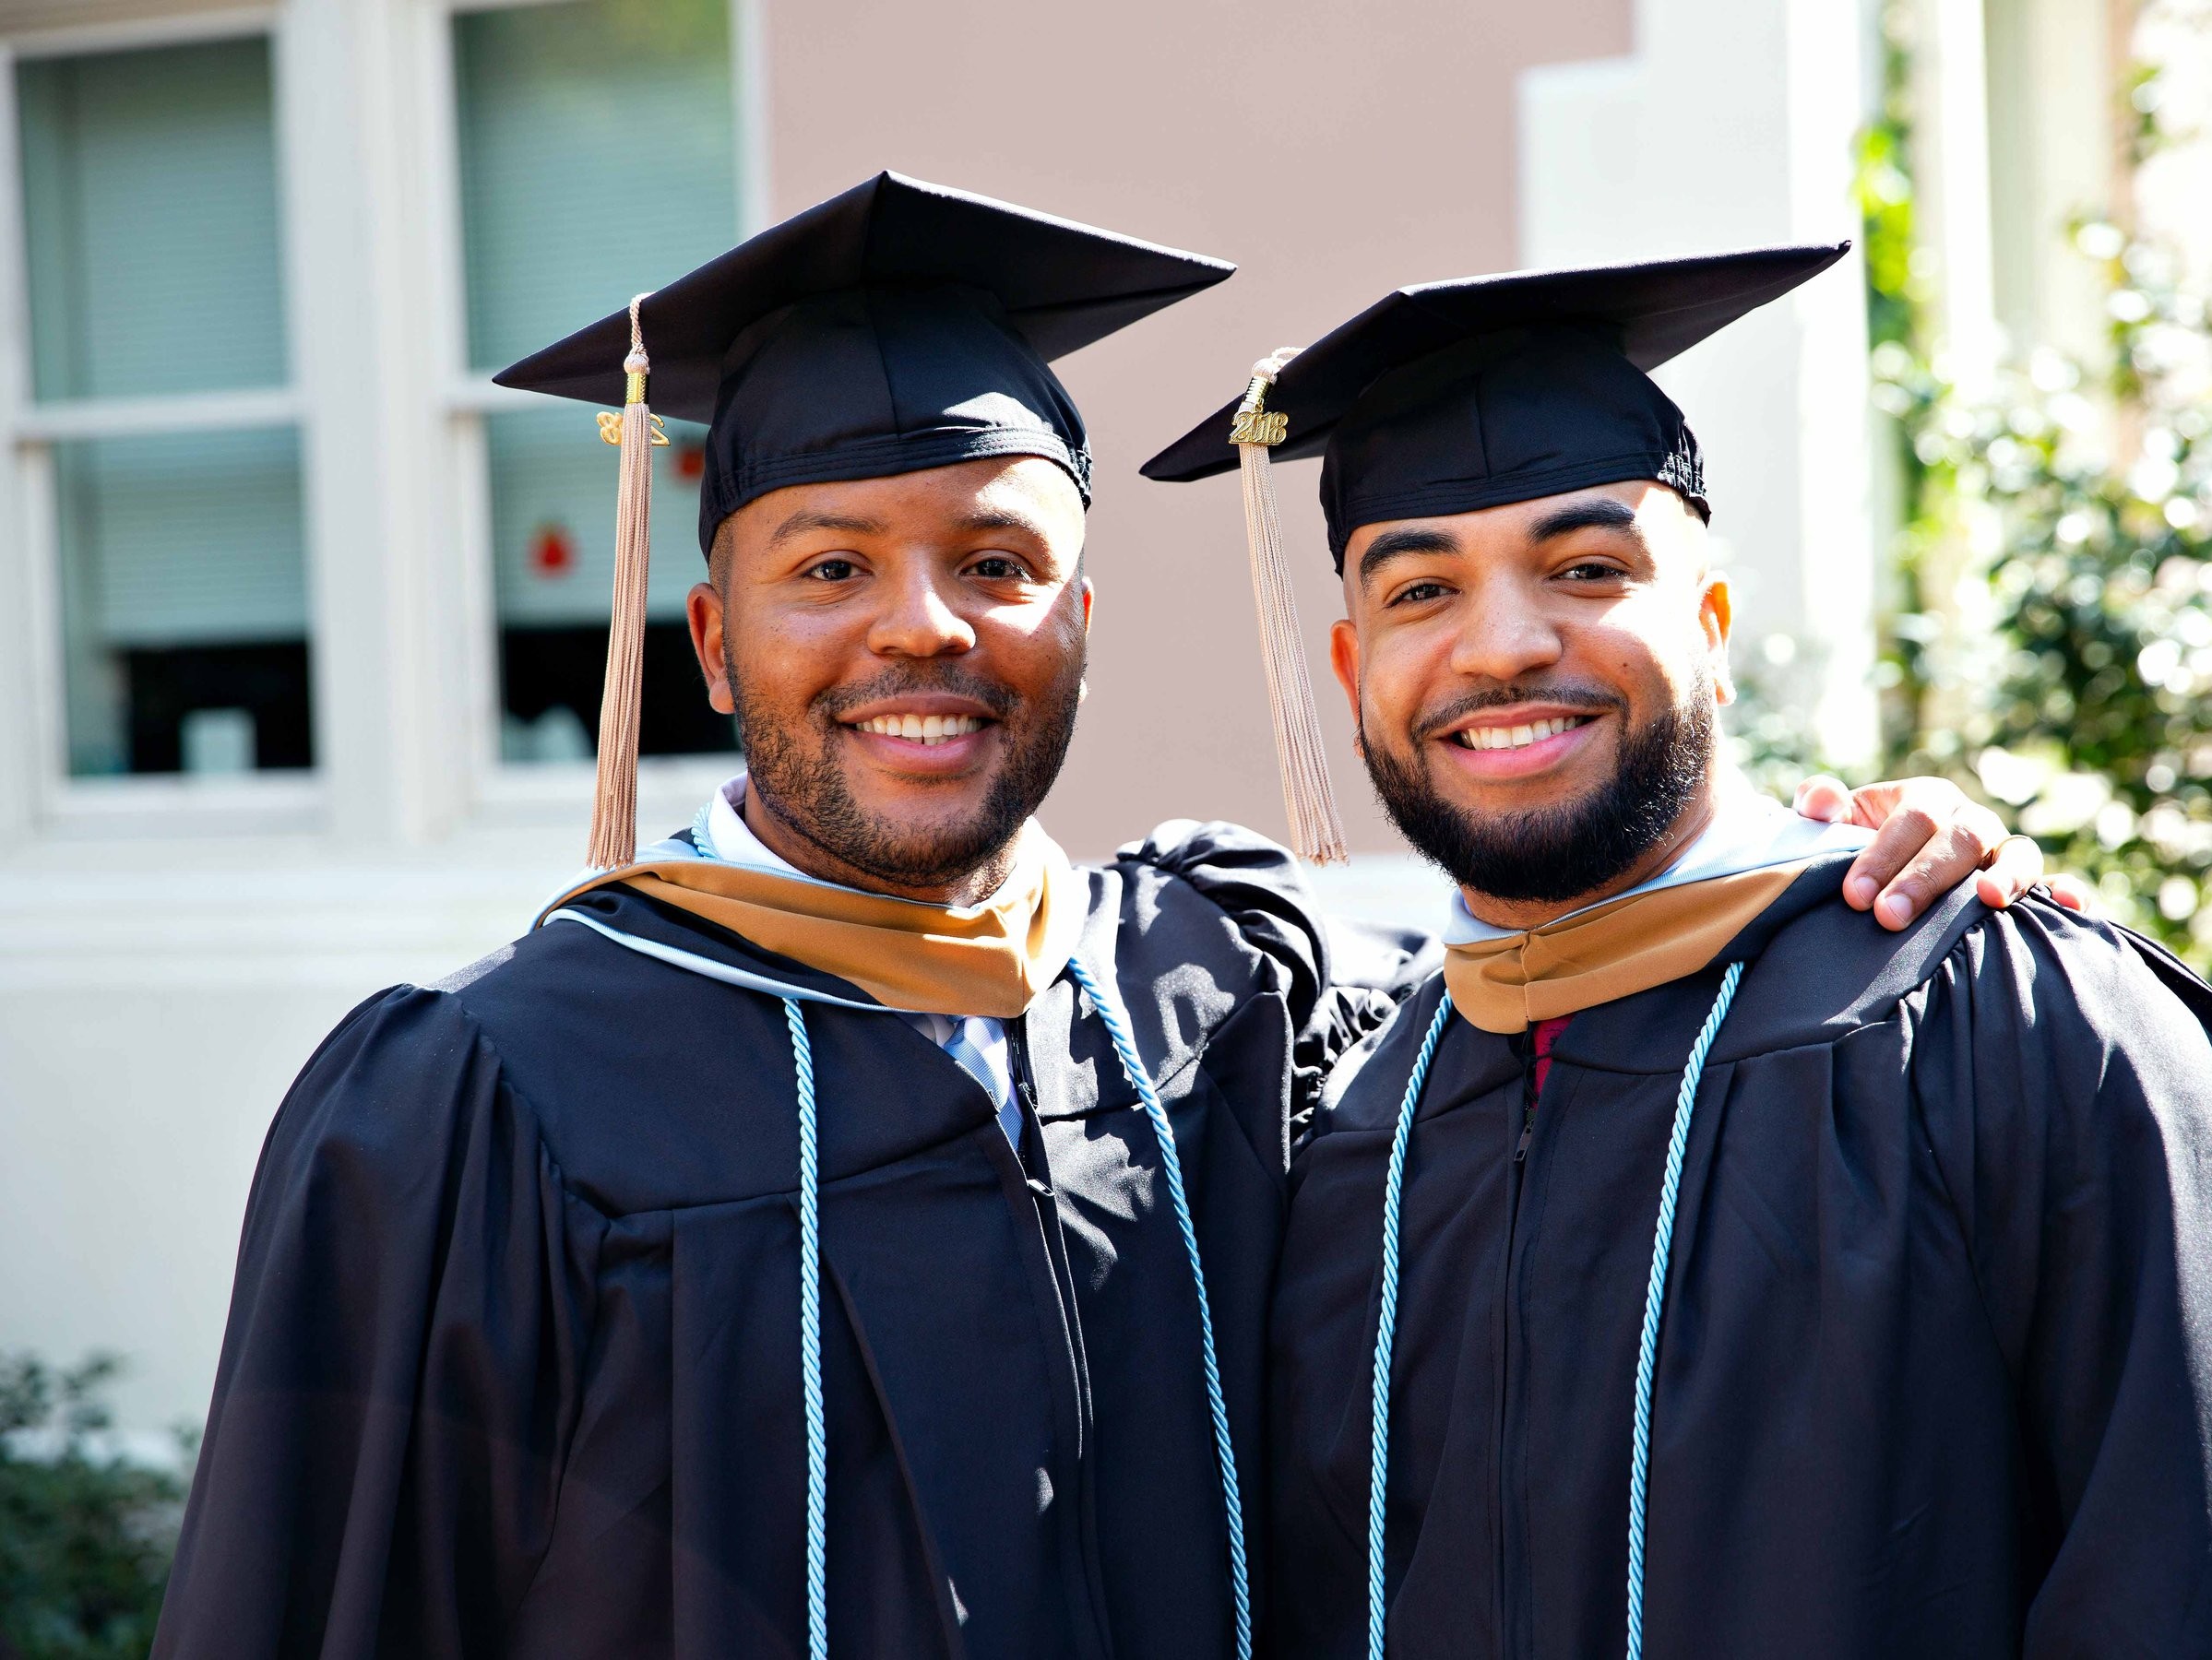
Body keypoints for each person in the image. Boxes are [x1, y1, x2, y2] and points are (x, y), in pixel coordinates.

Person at [155, 181, 2041, 1660]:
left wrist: (1834, 855)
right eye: (830, 570)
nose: (922, 630)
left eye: (998, 564)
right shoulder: (488, 1102)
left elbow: (1591, 1049)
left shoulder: (1235, 994)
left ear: (1080, 622)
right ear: (713, 645)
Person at [1146, 246, 2212, 1656]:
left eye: (1587, 567)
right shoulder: (1364, 1113)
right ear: (1358, 674)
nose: (1503, 645)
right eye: (1423, 591)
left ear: (1714, 628)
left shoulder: (2005, 1025)